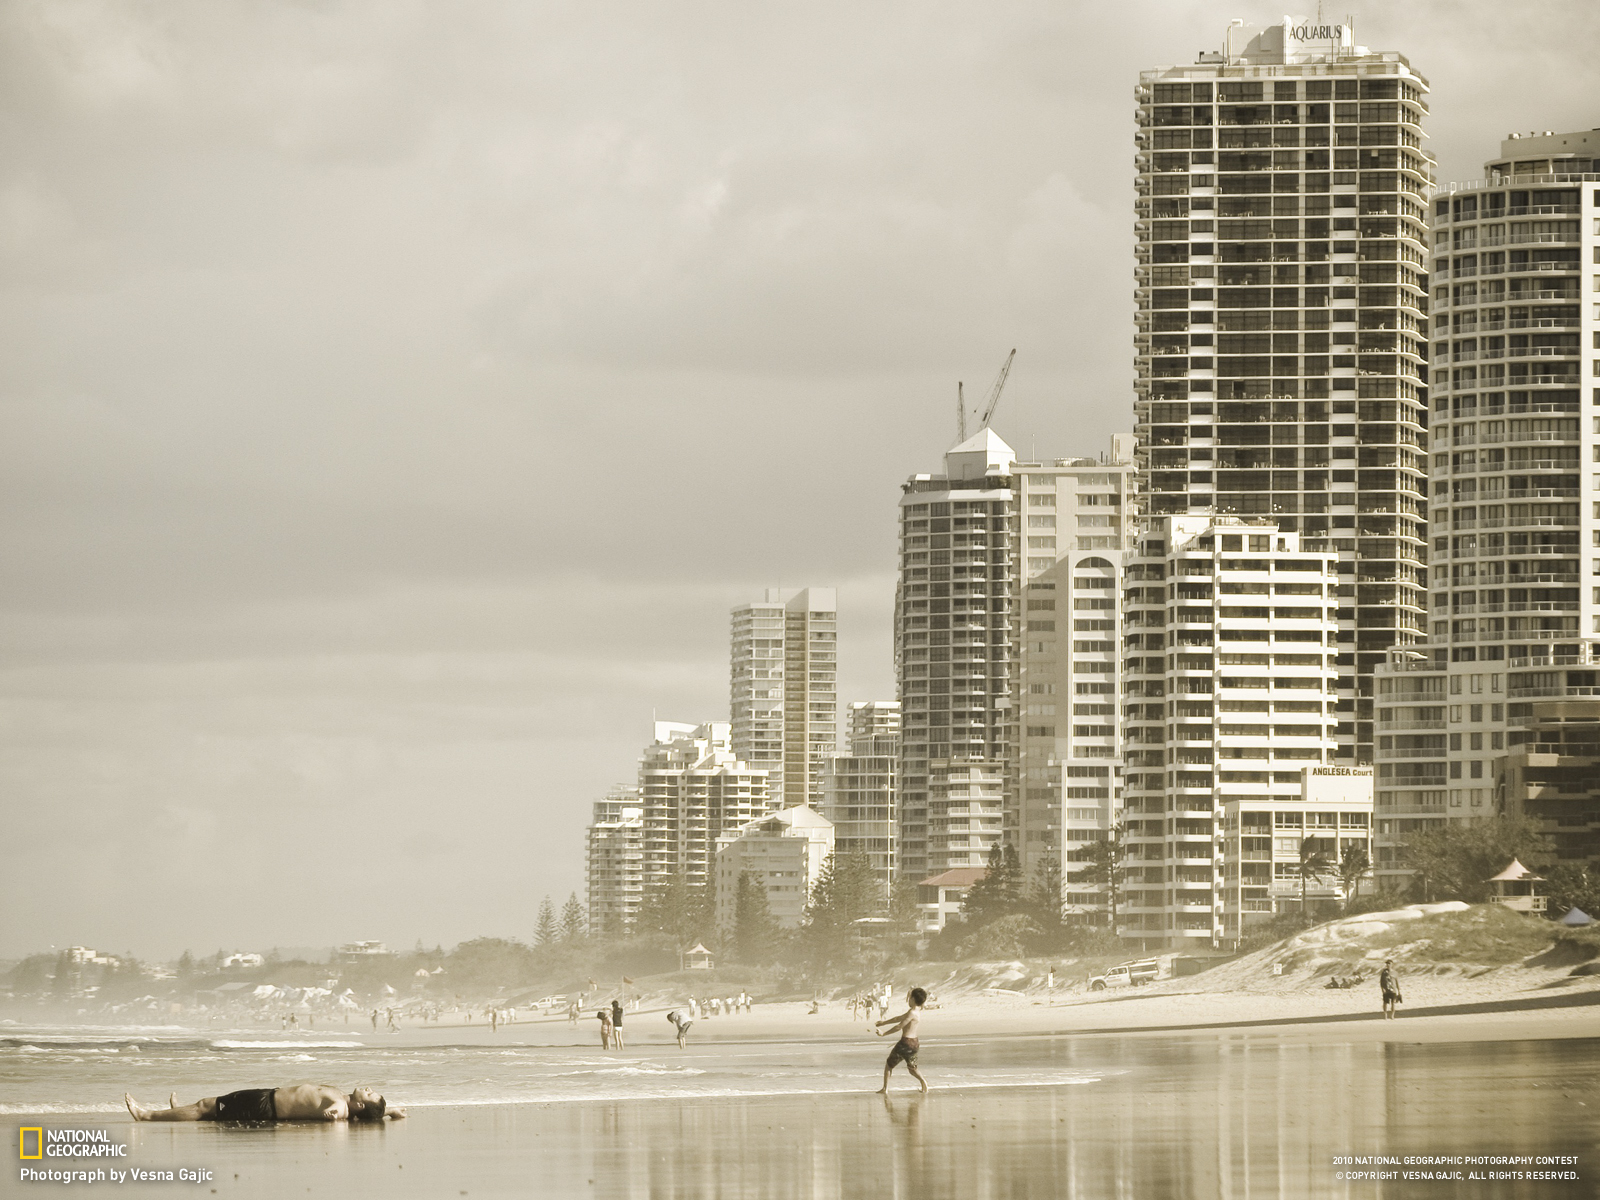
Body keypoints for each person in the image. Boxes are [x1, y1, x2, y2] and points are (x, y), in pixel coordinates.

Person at [126, 1084, 403, 1123]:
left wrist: (331, 1116)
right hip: (266, 1097)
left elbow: (335, 1115)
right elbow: (363, 1116)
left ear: (360, 1106)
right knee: (209, 1107)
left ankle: (148, 1116)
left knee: (206, 1107)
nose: (368, 1089)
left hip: (265, 1106)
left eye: (371, 1094)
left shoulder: (341, 1108)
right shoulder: (346, 1102)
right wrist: (388, 1110)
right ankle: (176, 1110)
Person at [875, 987, 929, 1094]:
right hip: (914, 1043)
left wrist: (883, 1033)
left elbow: (899, 1026)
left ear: (913, 999)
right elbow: (898, 1018)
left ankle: (885, 1089)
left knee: (889, 1064)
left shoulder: (912, 1012)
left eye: (909, 998)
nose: (908, 1000)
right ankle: (924, 1083)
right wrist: (883, 1023)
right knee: (912, 1068)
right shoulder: (917, 1011)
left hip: (905, 1043)